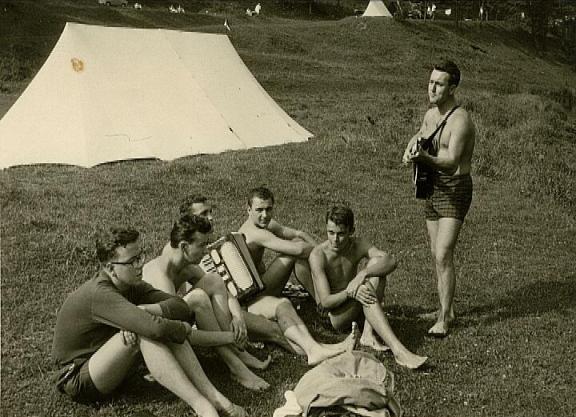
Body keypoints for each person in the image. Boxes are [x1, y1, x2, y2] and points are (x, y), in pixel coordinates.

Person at [51, 227, 245, 417]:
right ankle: (203, 407)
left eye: (140, 256)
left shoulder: (131, 285)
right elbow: (155, 329)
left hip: (108, 360)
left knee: (156, 326)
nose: (139, 265)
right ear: (110, 268)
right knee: (147, 331)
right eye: (132, 261)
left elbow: (180, 306)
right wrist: (179, 328)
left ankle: (215, 397)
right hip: (78, 376)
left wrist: (146, 311)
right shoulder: (100, 293)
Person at [182, 192, 358, 365]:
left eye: (210, 212)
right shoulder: (187, 253)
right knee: (274, 330)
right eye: (204, 214)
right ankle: (321, 349)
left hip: (241, 303)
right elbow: (190, 302)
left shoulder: (210, 242)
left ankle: (316, 350)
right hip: (224, 313)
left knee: (283, 304)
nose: (211, 217)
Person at [144, 215, 271, 391]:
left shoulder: (184, 263)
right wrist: (228, 337)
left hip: (177, 323)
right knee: (198, 298)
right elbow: (178, 333)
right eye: (202, 245)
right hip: (158, 340)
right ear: (184, 246)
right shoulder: (160, 277)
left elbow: (225, 292)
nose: (206, 251)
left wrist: (237, 317)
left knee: (214, 280)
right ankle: (236, 365)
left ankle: (238, 353)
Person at [402, 60, 475, 337]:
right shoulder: (431, 114)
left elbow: (452, 161)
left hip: (454, 187)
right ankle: (447, 309)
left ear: (452, 88)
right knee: (436, 252)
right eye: (431, 82)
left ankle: (443, 320)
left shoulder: (461, 121)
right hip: (432, 186)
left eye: (439, 84)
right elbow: (421, 134)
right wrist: (410, 147)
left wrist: (424, 159)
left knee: (444, 253)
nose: (432, 88)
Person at [309, 205, 428, 370]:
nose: (335, 239)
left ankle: (368, 334)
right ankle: (399, 351)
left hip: (355, 301)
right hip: (334, 315)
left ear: (351, 231)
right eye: (331, 232)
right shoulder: (318, 255)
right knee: (366, 284)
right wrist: (351, 292)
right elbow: (326, 301)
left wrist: (363, 274)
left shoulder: (357, 244)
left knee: (376, 266)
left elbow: (390, 261)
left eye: (341, 234)